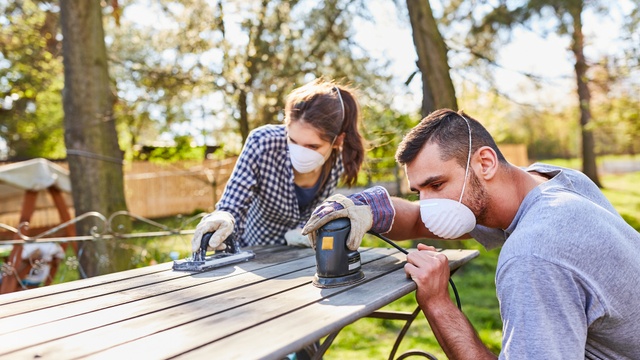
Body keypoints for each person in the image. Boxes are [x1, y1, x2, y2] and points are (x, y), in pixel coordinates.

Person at [302, 108, 640, 359]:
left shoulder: (533, 256)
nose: (426, 202)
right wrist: (375, 208)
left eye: (436, 184)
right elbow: (422, 219)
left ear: (485, 163)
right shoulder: (561, 182)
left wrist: (438, 304)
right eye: (418, 190)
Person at [191, 78, 365, 254]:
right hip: (252, 253)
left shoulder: (338, 161)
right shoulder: (263, 143)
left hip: (301, 256)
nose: (301, 153)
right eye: (293, 140)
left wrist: (304, 231)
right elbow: (233, 203)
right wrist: (223, 218)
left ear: (337, 141)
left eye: (313, 146)